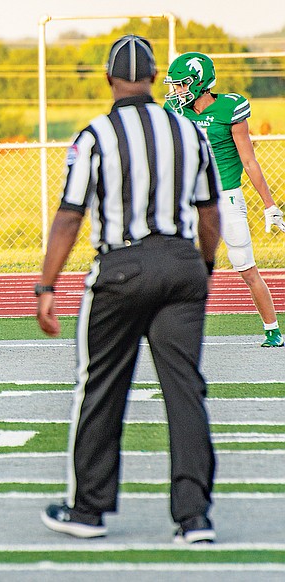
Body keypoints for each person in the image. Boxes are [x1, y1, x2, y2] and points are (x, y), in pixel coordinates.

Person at [36, 35, 222, 544]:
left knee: (100, 387)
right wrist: (201, 266)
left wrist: (46, 285)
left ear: (108, 78)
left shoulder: (96, 135)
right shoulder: (188, 131)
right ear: (157, 77)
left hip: (121, 268)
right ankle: (194, 517)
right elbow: (210, 211)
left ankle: (89, 509)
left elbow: (70, 217)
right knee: (185, 389)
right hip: (182, 265)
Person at [164, 52, 285, 347]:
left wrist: (270, 205)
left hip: (226, 197)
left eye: (181, 85)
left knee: (244, 264)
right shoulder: (175, 111)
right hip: (188, 198)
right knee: (172, 263)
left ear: (199, 83)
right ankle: (171, 331)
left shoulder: (230, 108)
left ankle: (272, 329)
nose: (176, 91)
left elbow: (249, 160)